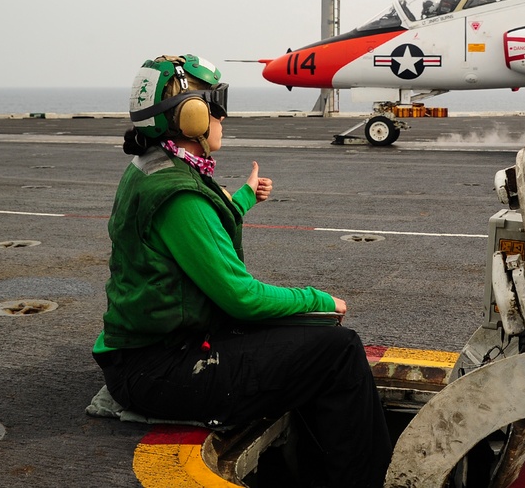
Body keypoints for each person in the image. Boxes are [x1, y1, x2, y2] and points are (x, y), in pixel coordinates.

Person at [92, 54, 391, 487]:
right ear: (189, 116)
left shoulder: (156, 166)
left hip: (155, 351)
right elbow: (241, 298)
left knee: (314, 342)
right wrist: (320, 299)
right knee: (337, 351)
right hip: (160, 369)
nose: (222, 115)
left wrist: (244, 198)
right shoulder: (180, 196)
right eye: (215, 102)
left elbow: (197, 236)